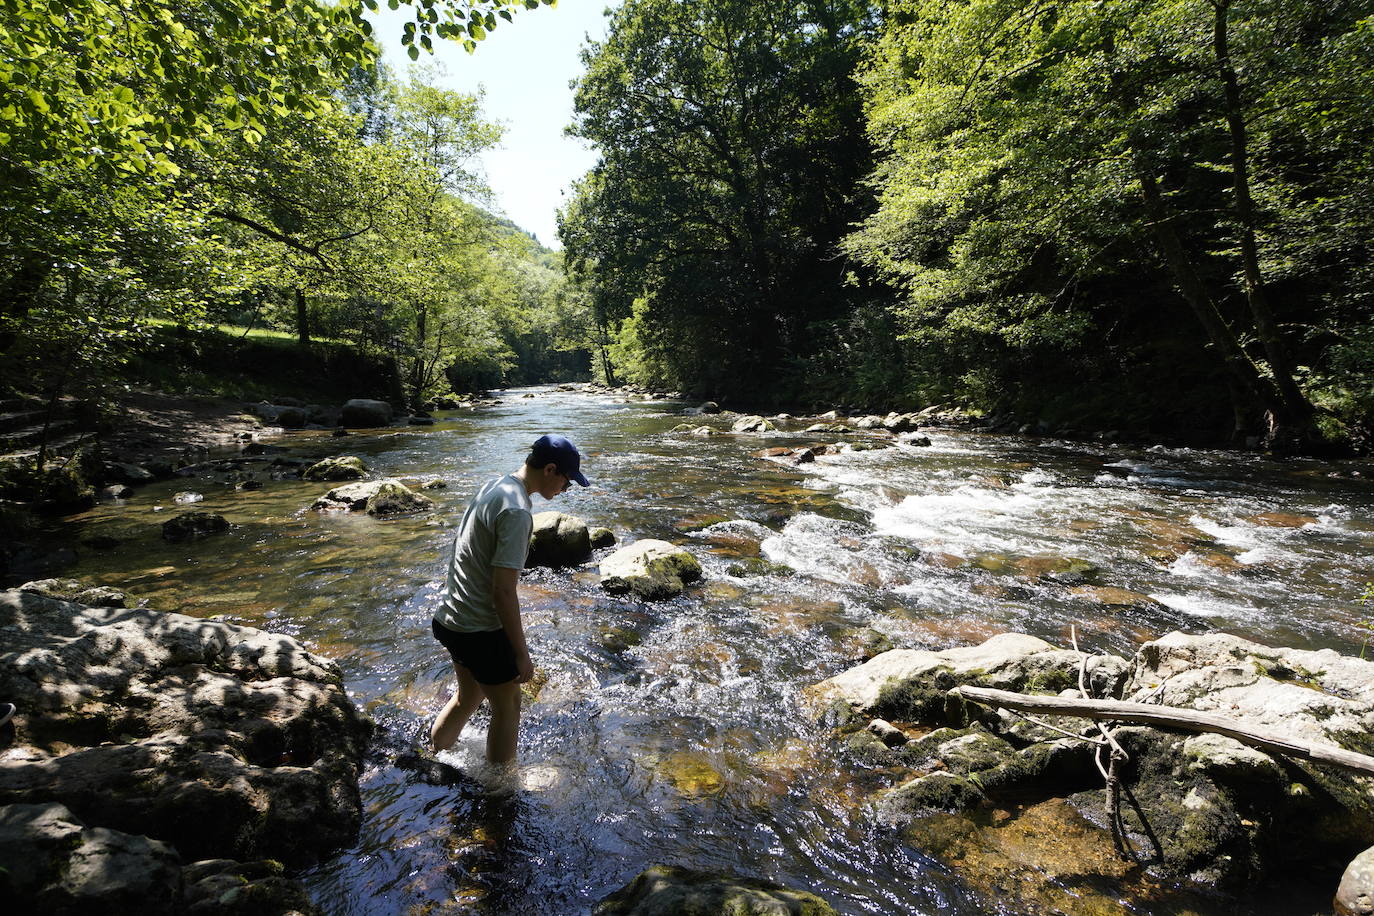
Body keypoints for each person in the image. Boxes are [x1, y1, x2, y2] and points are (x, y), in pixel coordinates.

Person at [429, 434, 590, 765]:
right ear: (550, 470)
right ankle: (500, 793)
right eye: (567, 481)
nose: (565, 489)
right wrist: (521, 655)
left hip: (450, 618)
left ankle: (434, 755)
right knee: (509, 707)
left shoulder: (497, 485)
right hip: (478, 628)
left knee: (469, 695)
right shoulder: (517, 512)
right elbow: (503, 591)